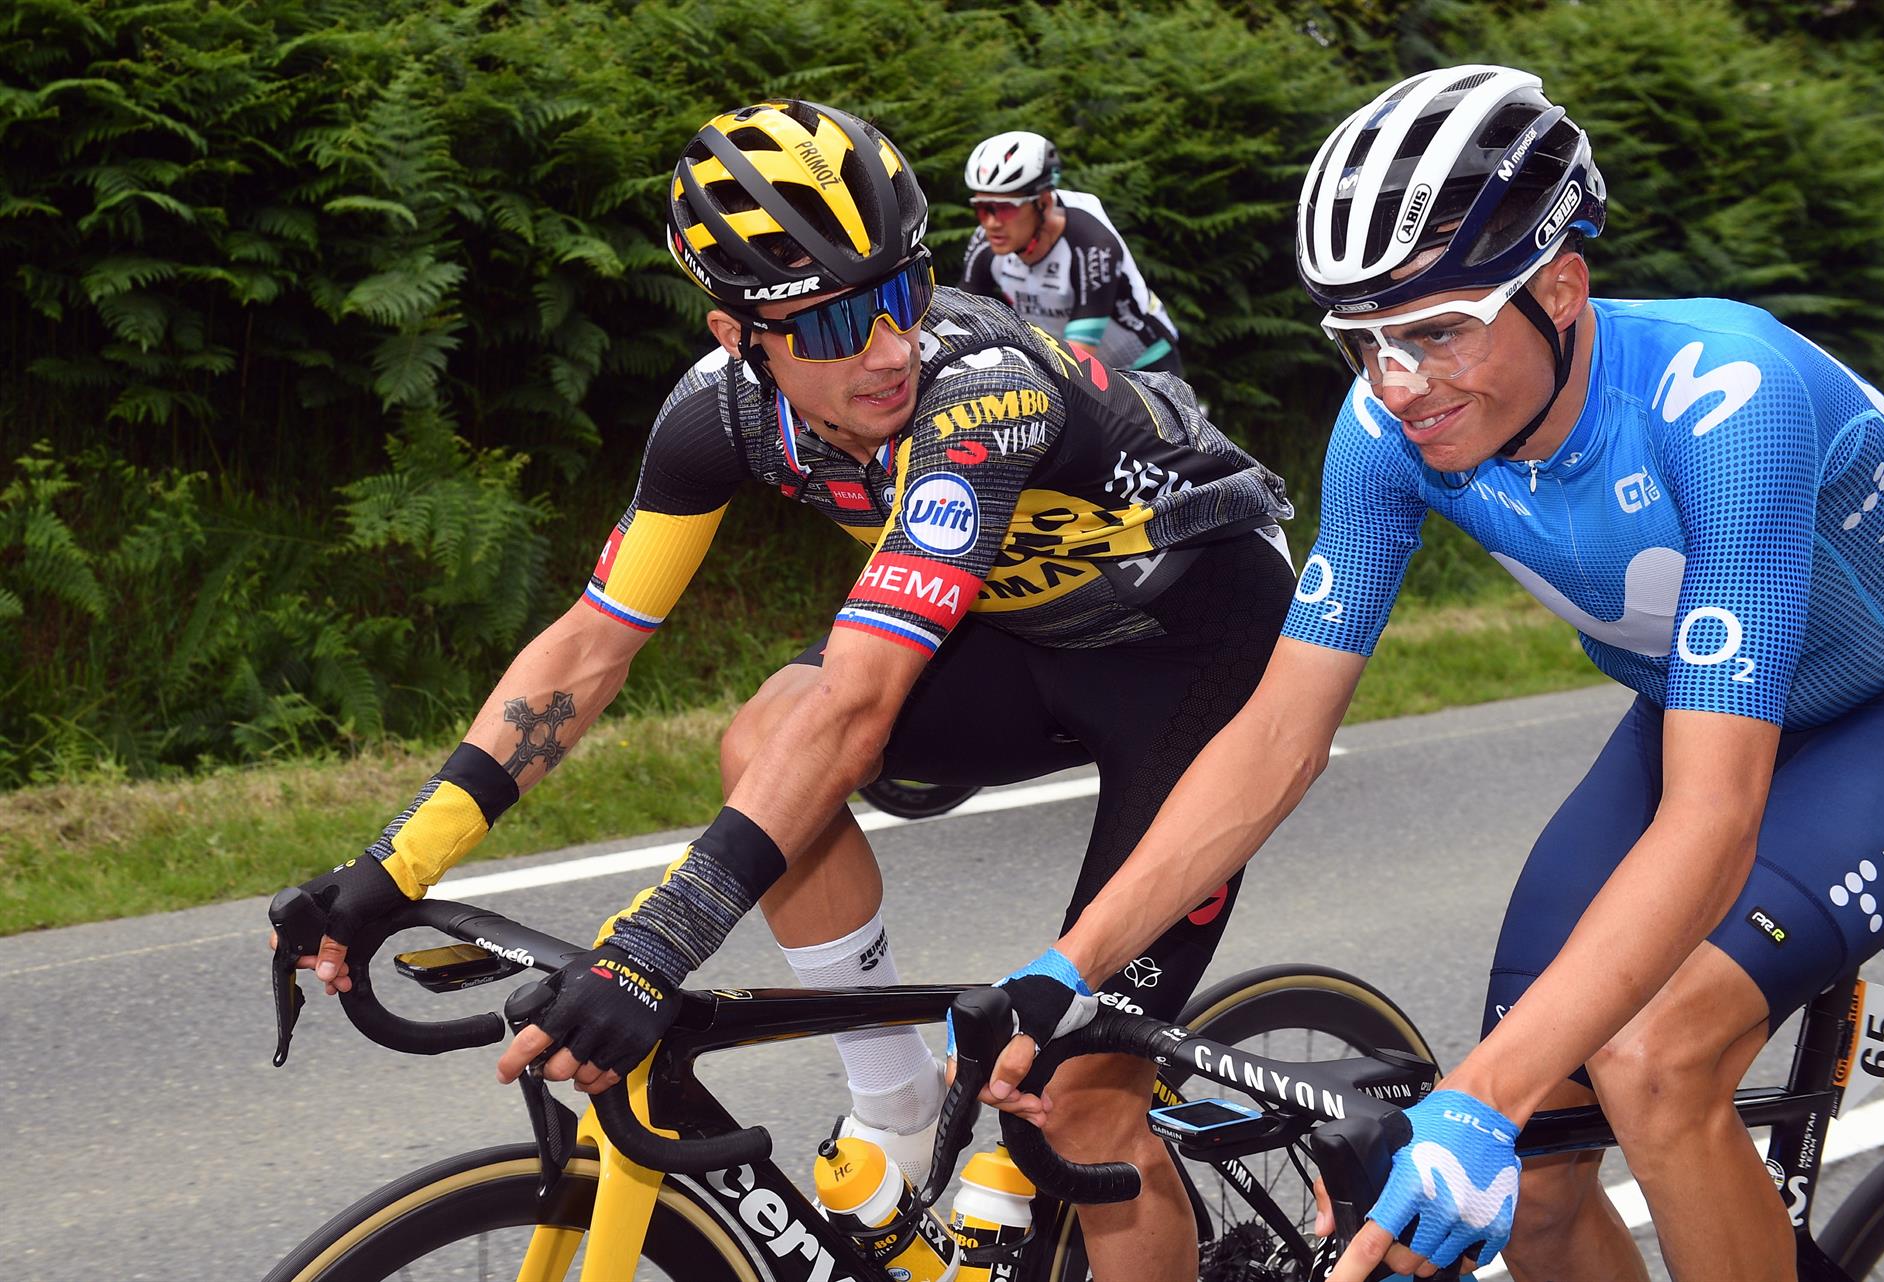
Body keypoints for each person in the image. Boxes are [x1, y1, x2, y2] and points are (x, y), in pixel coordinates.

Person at [275, 98, 1295, 1277]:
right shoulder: (717, 415)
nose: (891, 346)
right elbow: (591, 644)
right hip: (1028, 634)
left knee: (1081, 1103)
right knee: (763, 736)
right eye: (842, 319)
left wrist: (654, 947)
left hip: (1203, 654)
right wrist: (396, 862)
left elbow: (860, 707)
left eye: (905, 290)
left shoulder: (980, 392)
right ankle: (897, 1103)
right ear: (739, 333)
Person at [965, 63, 1884, 1282]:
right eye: (1363, 340)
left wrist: (1479, 1097)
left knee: (1652, 1061)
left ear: (1560, 287)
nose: (1398, 382)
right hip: (1704, 703)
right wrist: (1071, 962)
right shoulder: (1386, 431)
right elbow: (1278, 734)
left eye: (1438, 330)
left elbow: (1714, 815)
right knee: (1534, 1183)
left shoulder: (1728, 400)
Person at [959, 129, 1185, 376]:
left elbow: (1078, 358)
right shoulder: (985, 242)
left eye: (1005, 209)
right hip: (1072, 366)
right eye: (982, 209)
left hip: (1144, 362)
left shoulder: (1093, 244)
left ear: (1044, 203)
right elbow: (962, 323)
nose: (991, 223)